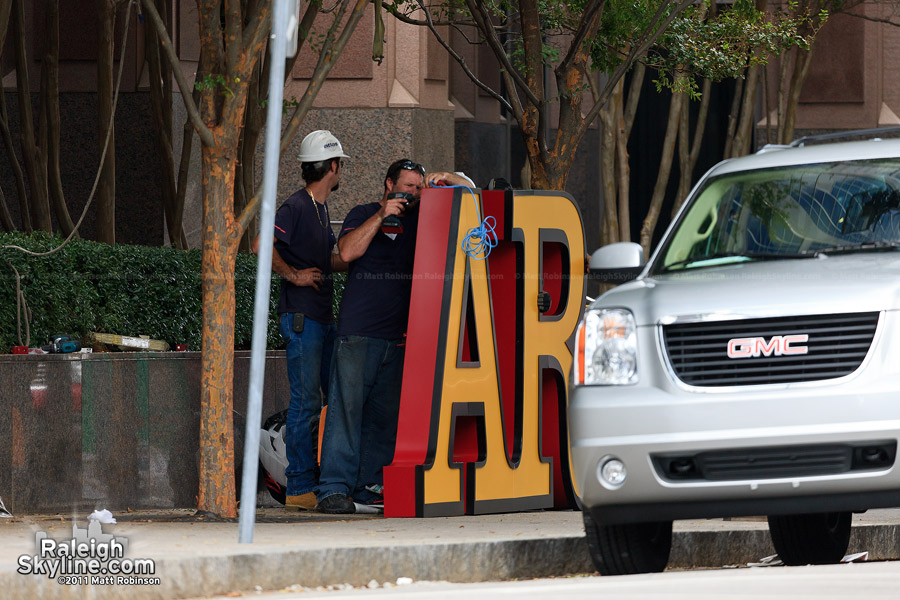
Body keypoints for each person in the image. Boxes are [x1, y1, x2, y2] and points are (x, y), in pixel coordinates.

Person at [315, 160, 471, 514]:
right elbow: (347, 252)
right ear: (388, 184)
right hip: (357, 334)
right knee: (346, 412)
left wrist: (448, 176)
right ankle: (333, 489)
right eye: (407, 187)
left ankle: (368, 487)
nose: (413, 194)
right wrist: (382, 214)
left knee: (384, 419)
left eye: (418, 187)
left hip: (399, 337)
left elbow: (470, 197)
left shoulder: (420, 219)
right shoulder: (364, 212)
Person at [253, 130, 349, 511]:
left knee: (330, 399)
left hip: (321, 319)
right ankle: (298, 488)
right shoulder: (295, 206)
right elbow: (261, 246)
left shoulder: (320, 208)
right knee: (306, 403)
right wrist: (294, 275)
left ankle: (324, 480)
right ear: (333, 167)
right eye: (340, 165)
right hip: (302, 320)